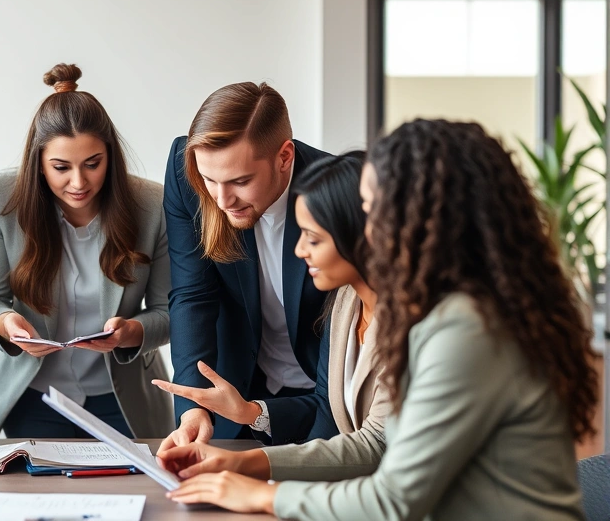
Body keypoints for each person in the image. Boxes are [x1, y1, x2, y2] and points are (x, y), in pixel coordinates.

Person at [159, 120, 598, 521]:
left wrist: (260, 495)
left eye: (370, 208)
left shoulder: (466, 328)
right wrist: (244, 463)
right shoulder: (430, 310)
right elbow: (378, 441)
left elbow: (394, 500)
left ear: (423, 217)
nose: (361, 225)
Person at [154, 151, 390, 478]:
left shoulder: (411, 324)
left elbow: (375, 444)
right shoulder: (345, 303)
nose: (299, 250)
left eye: (313, 238)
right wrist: (249, 413)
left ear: (361, 235)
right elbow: (326, 412)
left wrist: (253, 476)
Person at [0, 64, 172, 439]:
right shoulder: (1, 195)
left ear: (110, 157)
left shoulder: (152, 205)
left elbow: (170, 311)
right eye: (61, 167)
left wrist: (130, 332)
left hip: (124, 398)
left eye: (93, 164)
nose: (79, 182)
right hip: (30, 395)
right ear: (39, 164)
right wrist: (7, 325)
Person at [161, 82, 334, 448]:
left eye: (240, 181)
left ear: (284, 157)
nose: (222, 200)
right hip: (236, 395)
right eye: (210, 180)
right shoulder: (183, 169)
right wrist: (194, 407)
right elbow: (193, 294)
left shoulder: (338, 191)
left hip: (325, 402)